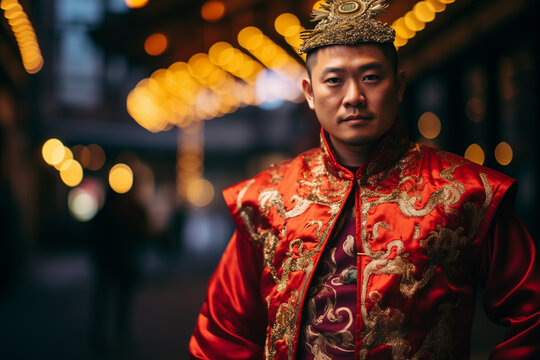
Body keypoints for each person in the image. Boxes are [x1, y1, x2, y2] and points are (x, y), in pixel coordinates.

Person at [189, 0, 540, 359]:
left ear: (400, 85)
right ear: (310, 93)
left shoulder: (465, 192)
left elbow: (534, 316)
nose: (354, 97)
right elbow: (221, 333)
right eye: (334, 81)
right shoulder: (267, 199)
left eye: (371, 77)